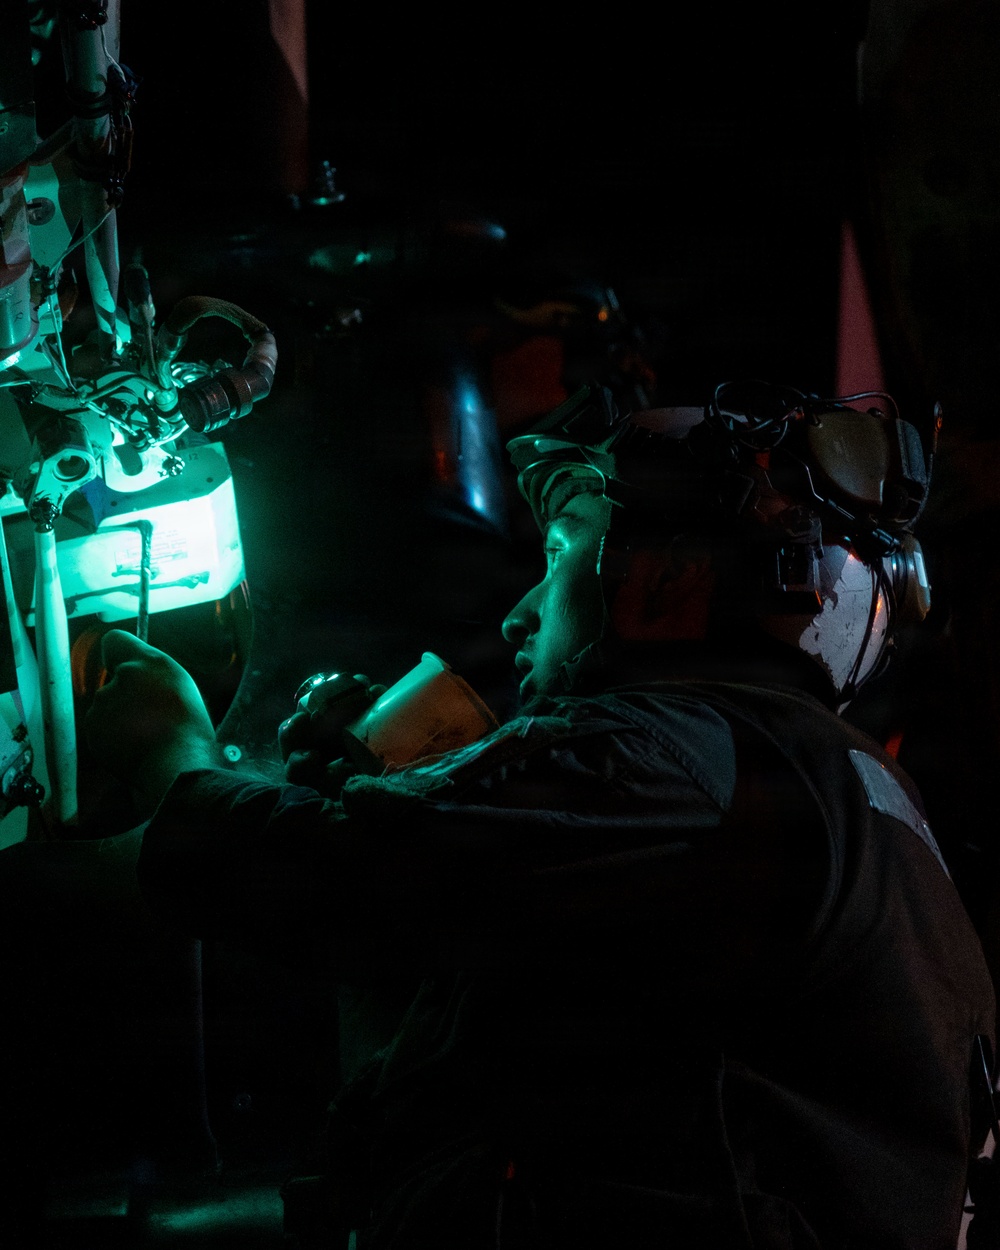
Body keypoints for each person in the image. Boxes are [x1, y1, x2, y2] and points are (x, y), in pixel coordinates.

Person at [82, 379, 997, 1248]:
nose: (519, 617)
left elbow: (342, 884)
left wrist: (170, 752)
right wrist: (432, 797)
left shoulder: (677, 751)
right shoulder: (836, 790)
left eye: (558, 554)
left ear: (670, 579)